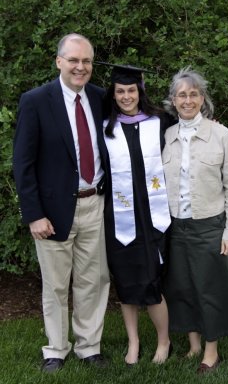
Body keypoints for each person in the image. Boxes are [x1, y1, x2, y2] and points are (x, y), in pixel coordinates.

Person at [13, 33, 110, 372]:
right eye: (73, 60)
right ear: (59, 62)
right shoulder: (36, 101)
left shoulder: (101, 98)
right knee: (55, 284)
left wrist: (193, 120)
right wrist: (34, 214)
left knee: (93, 281)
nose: (80, 67)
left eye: (86, 61)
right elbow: (22, 162)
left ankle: (89, 347)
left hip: (95, 205)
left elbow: (138, 118)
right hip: (52, 212)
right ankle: (55, 349)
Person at [162, 67, 228, 374]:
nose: (187, 100)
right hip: (176, 227)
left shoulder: (221, 135)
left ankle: (211, 351)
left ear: (202, 98)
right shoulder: (168, 136)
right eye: (181, 95)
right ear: (173, 100)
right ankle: (193, 344)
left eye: (193, 94)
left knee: (210, 289)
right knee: (182, 288)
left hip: (210, 226)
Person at [101, 63, 172, 365]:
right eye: (120, 91)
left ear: (140, 91)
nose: (126, 96)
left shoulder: (162, 121)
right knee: (126, 280)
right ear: (113, 94)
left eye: (131, 90)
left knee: (152, 280)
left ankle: (164, 341)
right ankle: (133, 342)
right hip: (119, 216)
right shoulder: (105, 128)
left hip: (154, 215)